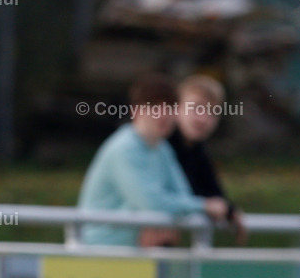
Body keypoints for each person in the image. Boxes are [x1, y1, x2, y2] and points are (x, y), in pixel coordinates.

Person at [76, 73, 229, 246]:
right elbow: (151, 202)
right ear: (136, 111)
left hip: (135, 254)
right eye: (155, 107)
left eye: (170, 107)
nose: (164, 115)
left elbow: (181, 194)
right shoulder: (125, 147)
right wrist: (204, 206)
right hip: (97, 253)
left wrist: (166, 218)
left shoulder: (162, 148)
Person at [169, 74, 247, 245]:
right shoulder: (160, 145)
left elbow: (211, 191)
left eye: (212, 111)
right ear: (176, 108)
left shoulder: (197, 150)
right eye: (196, 107)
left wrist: (230, 211)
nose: (203, 118)